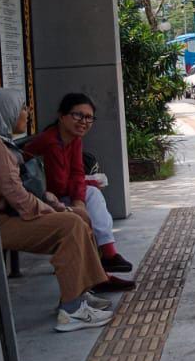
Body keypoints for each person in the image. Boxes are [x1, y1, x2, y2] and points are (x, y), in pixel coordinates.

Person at [0, 89, 133, 332]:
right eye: (21, 107)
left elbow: (35, 185)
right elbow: (16, 194)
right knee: (70, 224)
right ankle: (71, 310)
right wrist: (54, 211)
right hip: (3, 221)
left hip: (15, 214)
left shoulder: (1, 141)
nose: (26, 113)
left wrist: (58, 204)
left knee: (79, 219)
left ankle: (79, 293)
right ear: (5, 111)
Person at [24, 93, 133, 272]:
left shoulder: (73, 139)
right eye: (77, 115)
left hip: (60, 197)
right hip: (43, 201)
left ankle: (106, 256)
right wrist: (79, 198)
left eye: (89, 117)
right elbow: (58, 184)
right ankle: (104, 259)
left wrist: (79, 200)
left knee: (91, 198)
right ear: (62, 116)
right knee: (89, 201)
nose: (83, 121)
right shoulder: (51, 142)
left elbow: (76, 173)